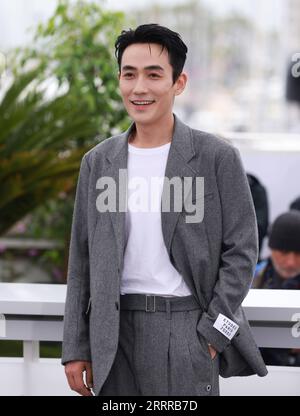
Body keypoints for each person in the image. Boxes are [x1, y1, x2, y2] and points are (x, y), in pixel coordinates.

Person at [61, 23, 267, 397]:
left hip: (187, 328)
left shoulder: (215, 158)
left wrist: (212, 336)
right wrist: (76, 347)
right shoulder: (98, 162)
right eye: (129, 74)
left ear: (179, 82)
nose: (139, 88)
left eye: (154, 75)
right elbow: (82, 260)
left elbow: (242, 253)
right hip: (112, 335)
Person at [253, 210, 300, 366]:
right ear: (272, 249)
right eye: (284, 252)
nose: (291, 262)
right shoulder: (249, 280)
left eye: (298, 253)